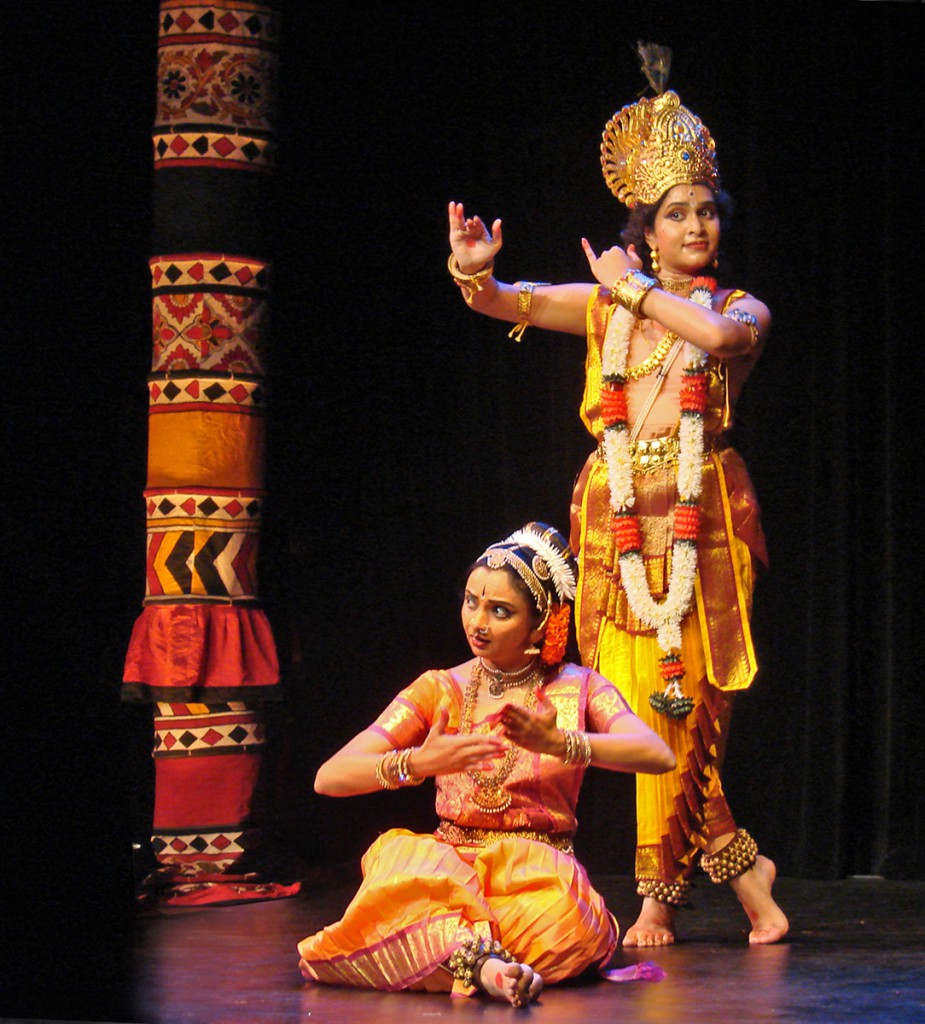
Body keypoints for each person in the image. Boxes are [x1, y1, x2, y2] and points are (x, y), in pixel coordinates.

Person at [445, 48, 788, 947]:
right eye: (677, 213)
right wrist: (475, 273)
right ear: (647, 223)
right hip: (615, 526)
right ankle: (732, 877)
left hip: (701, 521)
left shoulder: (743, 308)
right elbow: (506, 301)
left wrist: (631, 285)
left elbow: (712, 335)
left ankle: (675, 896)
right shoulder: (608, 311)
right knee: (638, 710)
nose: (697, 226)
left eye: (707, 212)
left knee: (692, 702)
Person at [298, 523, 675, 1006]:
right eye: (472, 602)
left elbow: (657, 755)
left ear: (541, 624)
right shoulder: (440, 688)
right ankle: (489, 968)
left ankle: (455, 961)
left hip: (535, 873)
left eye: (500, 611)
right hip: (447, 867)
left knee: (565, 919)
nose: (478, 621)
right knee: (401, 872)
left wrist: (563, 742)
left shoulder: (578, 687)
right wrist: (413, 763)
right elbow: (328, 777)